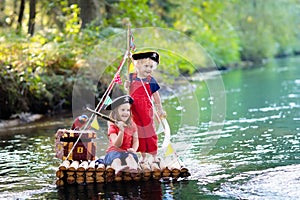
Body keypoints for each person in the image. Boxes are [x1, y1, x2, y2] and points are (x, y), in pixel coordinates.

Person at [125, 51, 166, 163]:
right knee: (138, 132)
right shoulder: (132, 77)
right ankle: (142, 155)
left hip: (146, 109)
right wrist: (126, 85)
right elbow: (128, 90)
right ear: (138, 65)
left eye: (151, 67)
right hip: (133, 109)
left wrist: (160, 108)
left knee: (149, 131)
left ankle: (153, 154)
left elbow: (156, 96)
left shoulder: (150, 80)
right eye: (146, 66)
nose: (148, 69)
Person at [101, 95, 139, 176]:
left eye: (128, 110)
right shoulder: (112, 125)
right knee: (116, 159)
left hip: (126, 152)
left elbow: (136, 141)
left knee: (131, 157)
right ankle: (118, 168)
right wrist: (121, 131)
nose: (126, 113)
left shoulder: (132, 124)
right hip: (114, 152)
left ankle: (133, 168)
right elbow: (117, 144)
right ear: (116, 112)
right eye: (122, 110)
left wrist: (133, 149)